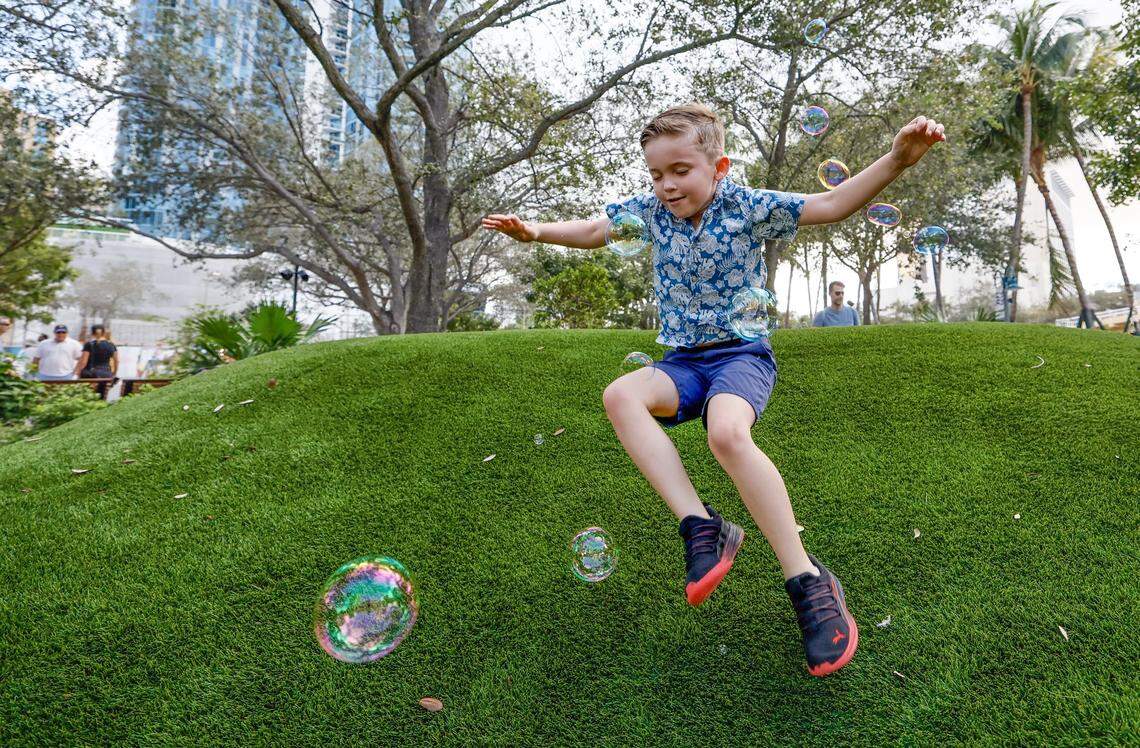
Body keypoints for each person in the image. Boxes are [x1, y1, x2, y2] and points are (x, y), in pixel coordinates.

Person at [483, 103, 945, 676]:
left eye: (680, 169)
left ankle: (807, 579)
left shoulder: (746, 205)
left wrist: (898, 159)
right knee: (619, 394)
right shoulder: (651, 214)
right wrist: (537, 232)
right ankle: (702, 526)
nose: (666, 184)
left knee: (727, 433)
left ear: (718, 166)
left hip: (740, 356)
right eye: (655, 174)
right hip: (682, 362)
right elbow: (598, 230)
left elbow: (829, 204)